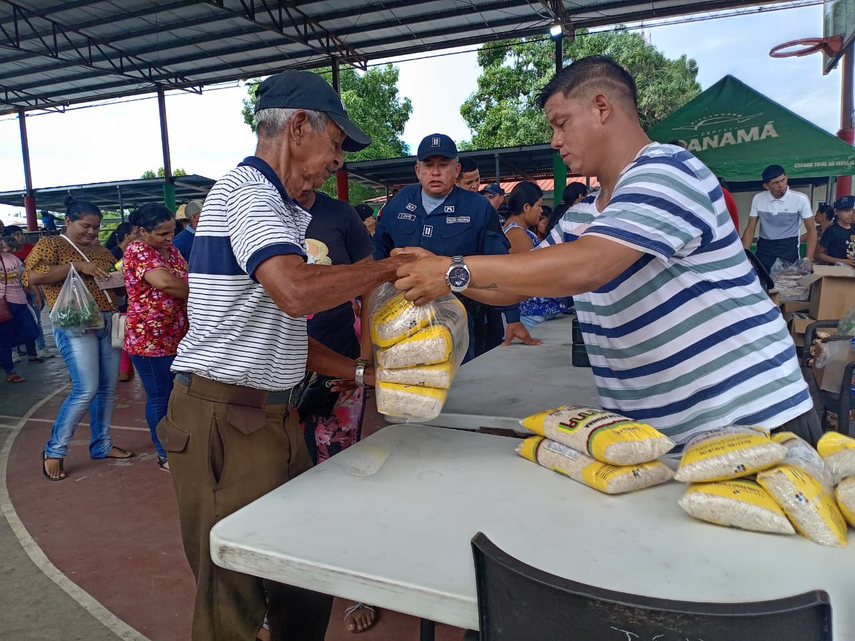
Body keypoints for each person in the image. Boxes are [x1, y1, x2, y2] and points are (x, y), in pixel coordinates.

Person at [394, 55, 819, 448]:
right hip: (663, 434)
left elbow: (589, 266)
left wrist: (451, 270)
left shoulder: (668, 170)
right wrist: (433, 278)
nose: (555, 141)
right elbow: (516, 284)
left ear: (601, 107)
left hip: (752, 418)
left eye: (561, 123)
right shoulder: (582, 215)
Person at [159, 69, 414, 641]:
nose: (338, 160)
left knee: (302, 569)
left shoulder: (278, 205)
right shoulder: (247, 191)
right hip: (225, 419)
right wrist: (392, 267)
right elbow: (296, 292)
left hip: (272, 416)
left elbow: (280, 336)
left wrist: (359, 371)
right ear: (299, 127)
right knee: (234, 595)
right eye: (337, 144)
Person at [373, 133, 540, 358]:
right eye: (428, 165)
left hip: (457, 312)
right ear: (417, 171)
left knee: (456, 378)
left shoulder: (477, 208)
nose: (435, 172)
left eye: (443, 165)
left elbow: (498, 263)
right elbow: (378, 254)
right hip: (403, 312)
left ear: (456, 169)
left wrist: (512, 318)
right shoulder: (401, 202)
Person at [295, 188, 378, 634]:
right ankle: (290, 584)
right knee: (285, 479)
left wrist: (363, 362)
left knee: (340, 472)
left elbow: (368, 289)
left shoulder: (340, 215)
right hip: (275, 375)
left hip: (341, 367)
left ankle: (355, 584)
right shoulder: (257, 207)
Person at [26, 196, 133, 481]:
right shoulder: (52, 245)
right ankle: (54, 450)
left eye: (96, 228)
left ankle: (101, 445)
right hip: (75, 324)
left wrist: (119, 284)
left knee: (107, 389)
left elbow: (113, 284)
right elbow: (33, 276)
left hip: (108, 321)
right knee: (86, 389)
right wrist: (78, 266)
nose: (92, 233)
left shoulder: (101, 251)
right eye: (86, 226)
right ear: (68, 221)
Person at [123, 204, 189, 472]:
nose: (169, 238)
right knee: (160, 395)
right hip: (150, 339)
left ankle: (177, 443)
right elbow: (166, 283)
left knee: (177, 393)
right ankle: (164, 452)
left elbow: (184, 274)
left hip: (177, 334)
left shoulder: (170, 249)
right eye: (162, 233)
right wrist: (205, 296)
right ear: (142, 231)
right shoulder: (138, 250)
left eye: (172, 231)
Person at [502, 182, 573, 328]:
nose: (541, 211)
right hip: (531, 315)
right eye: (539, 205)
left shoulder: (517, 230)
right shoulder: (517, 234)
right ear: (526, 207)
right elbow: (534, 271)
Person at [741, 164, 817, 274]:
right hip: (764, 249)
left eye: (783, 180)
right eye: (775, 183)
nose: (781, 185)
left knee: (788, 287)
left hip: (789, 249)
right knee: (762, 286)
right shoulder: (758, 198)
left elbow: (812, 230)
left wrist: (808, 259)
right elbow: (750, 229)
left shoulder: (800, 199)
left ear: (786, 177)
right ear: (766, 186)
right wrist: (745, 256)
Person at [6, 225, 51, 359]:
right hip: (10, 294)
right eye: (17, 234)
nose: (21, 236)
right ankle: (14, 351)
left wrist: (37, 293)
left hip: (30, 290)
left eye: (21, 234)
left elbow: (34, 271)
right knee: (11, 322)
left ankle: (41, 348)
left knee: (36, 320)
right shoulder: (5, 255)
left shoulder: (32, 248)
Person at [1, 236, 40, 383]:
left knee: (32, 332)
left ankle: (4, 349)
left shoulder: (11, 258)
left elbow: (26, 275)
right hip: (3, 304)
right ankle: (10, 372)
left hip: (20, 301)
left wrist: (33, 292)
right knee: (4, 340)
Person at [814, 195, 855, 267]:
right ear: (836, 212)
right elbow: (818, 254)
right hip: (837, 270)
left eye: (853, 211)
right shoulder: (831, 230)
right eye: (846, 211)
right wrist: (842, 261)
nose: (850, 214)